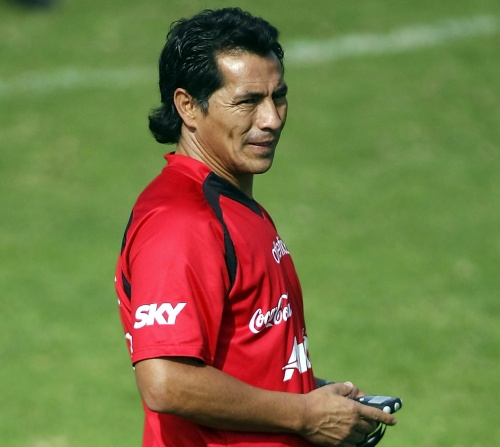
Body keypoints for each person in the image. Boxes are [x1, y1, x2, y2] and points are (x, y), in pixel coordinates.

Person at [114, 7, 396, 447]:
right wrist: (303, 414)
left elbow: (242, 354)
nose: (272, 119)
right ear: (187, 106)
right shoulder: (181, 221)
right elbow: (166, 381)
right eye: (247, 101)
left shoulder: (234, 204)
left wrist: (316, 397)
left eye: (277, 96)